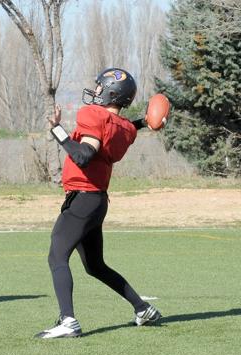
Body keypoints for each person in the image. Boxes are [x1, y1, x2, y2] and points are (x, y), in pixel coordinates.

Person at [36, 68, 162, 339]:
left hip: (83, 199)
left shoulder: (92, 114)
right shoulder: (127, 129)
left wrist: (57, 130)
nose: (94, 92)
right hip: (97, 201)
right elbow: (125, 125)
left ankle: (68, 321)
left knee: (57, 256)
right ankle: (143, 309)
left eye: (99, 88)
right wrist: (145, 121)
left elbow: (83, 155)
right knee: (95, 266)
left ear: (110, 93)